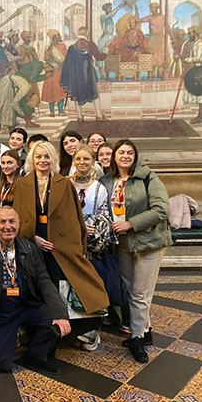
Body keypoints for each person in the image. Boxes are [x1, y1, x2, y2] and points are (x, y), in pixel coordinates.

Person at [11, 141, 109, 335]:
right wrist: (32, 238)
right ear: (32, 159)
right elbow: (17, 216)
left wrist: (77, 246)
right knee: (33, 287)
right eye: (38, 156)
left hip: (58, 245)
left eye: (47, 156)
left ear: (53, 159)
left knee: (58, 287)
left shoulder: (64, 184)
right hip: (32, 244)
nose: (43, 160)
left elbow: (74, 218)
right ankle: (36, 331)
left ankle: (59, 331)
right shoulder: (22, 184)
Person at [0, 206, 71, 374]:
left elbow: (44, 280)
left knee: (54, 320)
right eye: (2, 222)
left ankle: (34, 357)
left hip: (24, 306)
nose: (8, 226)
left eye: (12, 221)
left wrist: (60, 314)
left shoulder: (29, 248)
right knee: (2, 364)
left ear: (18, 224)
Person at [100, 139, 172, 363]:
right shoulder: (106, 181)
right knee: (131, 290)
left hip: (148, 242)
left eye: (129, 153)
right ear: (114, 156)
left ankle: (137, 338)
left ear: (135, 156)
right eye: (121, 152)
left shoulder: (148, 177)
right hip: (122, 244)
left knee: (140, 292)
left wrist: (131, 223)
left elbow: (161, 209)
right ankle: (145, 330)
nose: (125, 156)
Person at [71, 145, 119, 350]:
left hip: (92, 246)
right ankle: (74, 330)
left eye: (86, 159)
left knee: (92, 286)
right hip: (71, 243)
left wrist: (94, 225)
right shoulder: (66, 184)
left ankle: (91, 332)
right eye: (78, 159)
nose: (82, 162)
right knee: (72, 287)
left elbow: (106, 215)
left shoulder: (99, 188)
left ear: (93, 162)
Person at [60, 26, 108, 122]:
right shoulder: (90, 44)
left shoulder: (72, 48)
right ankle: (98, 115)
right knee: (94, 94)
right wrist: (105, 52)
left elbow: (67, 64)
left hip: (76, 76)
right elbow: (99, 56)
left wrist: (67, 78)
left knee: (77, 95)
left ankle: (79, 117)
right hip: (88, 75)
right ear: (87, 33)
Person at [183, 26, 202, 124]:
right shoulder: (194, 43)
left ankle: (201, 116)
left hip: (200, 72)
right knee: (199, 93)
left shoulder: (200, 44)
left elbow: (199, 58)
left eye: (190, 33)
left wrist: (187, 59)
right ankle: (200, 116)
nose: (189, 35)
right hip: (195, 71)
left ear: (195, 33)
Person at [42, 29, 68, 116]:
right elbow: (46, 58)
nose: (59, 37)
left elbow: (65, 58)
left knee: (61, 91)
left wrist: (61, 65)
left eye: (59, 35)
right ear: (53, 37)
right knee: (51, 92)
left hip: (61, 72)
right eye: (57, 35)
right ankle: (51, 111)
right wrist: (54, 65)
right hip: (52, 72)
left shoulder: (63, 46)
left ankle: (60, 111)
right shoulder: (48, 48)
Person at [0, 150, 21, 215]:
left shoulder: (22, 186)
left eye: (10, 163)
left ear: (18, 164)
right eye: (3, 163)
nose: (6, 166)